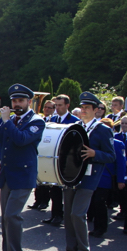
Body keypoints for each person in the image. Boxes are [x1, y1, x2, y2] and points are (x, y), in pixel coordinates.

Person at [0, 84, 45, 251]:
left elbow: (21, 140)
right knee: (6, 218)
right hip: (7, 175)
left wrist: (6, 122)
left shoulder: (37, 121)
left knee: (13, 216)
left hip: (23, 176)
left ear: (29, 102)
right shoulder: (10, 120)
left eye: (21, 101)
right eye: (14, 101)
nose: (17, 104)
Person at [57, 92, 115, 251]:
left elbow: (111, 156)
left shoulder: (103, 130)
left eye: (87, 108)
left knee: (77, 213)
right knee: (68, 214)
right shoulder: (75, 126)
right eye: (82, 107)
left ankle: (83, 250)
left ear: (97, 110)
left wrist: (94, 153)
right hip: (71, 175)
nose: (83, 110)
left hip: (89, 177)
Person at [41, 95, 79, 227]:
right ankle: (55, 215)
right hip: (54, 158)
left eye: (60, 105)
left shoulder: (75, 121)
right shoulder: (53, 119)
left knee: (67, 191)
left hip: (67, 159)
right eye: (55, 105)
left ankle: (67, 217)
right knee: (54, 188)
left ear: (67, 106)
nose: (57, 108)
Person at [88, 118, 126, 237]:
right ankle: (95, 226)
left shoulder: (118, 144)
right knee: (94, 202)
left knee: (100, 202)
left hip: (105, 179)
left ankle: (102, 227)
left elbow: (120, 164)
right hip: (94, 176)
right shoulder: (93, 141)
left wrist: (120, 180)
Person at [27, 99, 58, 211]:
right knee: (39, 178)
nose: (46, 109)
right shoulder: (41, 119)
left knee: (48, 181)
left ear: (54, 110)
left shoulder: (55, 120)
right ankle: (38, 200)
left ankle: (45, 202)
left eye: (50, 108)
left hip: (51, 152)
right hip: (40, 150)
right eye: (46, 107)